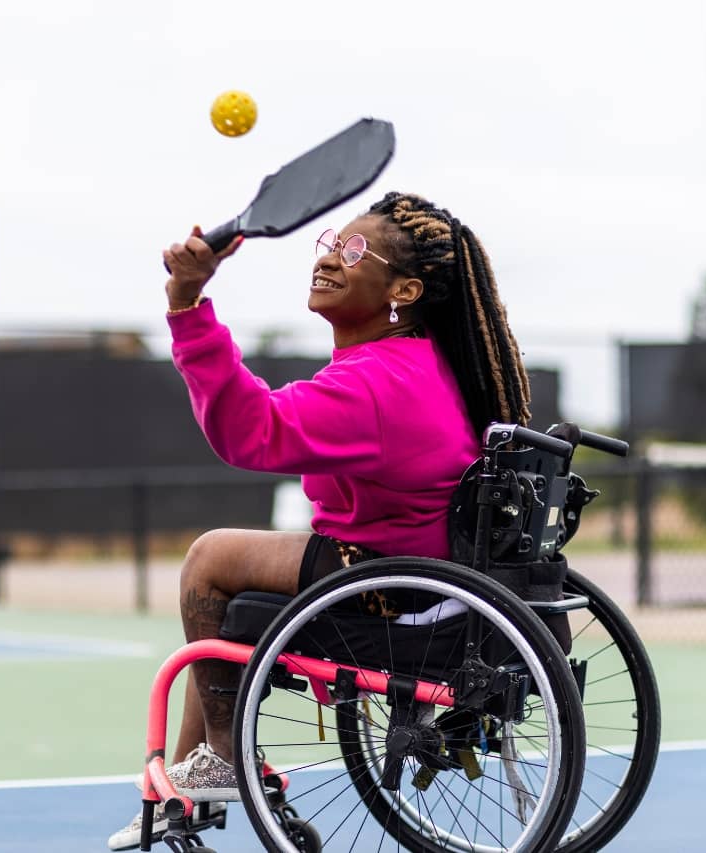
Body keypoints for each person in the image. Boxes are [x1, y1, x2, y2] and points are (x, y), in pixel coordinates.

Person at [108, 192, 533, 850]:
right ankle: (192, 789)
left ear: (405, 289)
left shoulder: (372, 385)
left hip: (387, 586)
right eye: (331, 241)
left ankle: (225, 759)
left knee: (209, 562)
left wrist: (189, 307)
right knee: (229, 600)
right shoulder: (421, 365)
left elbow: (249, 432)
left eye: (355, 250)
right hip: (423, 575)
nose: (331, 257)